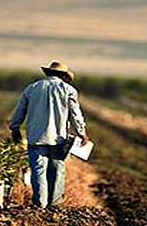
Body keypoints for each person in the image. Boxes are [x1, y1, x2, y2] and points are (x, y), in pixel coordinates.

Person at [9, 60, 89, 208]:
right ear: (63, 75)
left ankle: (40, 204)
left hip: (36, 137)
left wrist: (14, 127)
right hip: (59, 139)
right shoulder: (69, 90)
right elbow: (75, 114)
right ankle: (54, 204)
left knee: (38, 171)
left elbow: (20, 110)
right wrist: (82, 133)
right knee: (57, 170)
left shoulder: (32, 88)